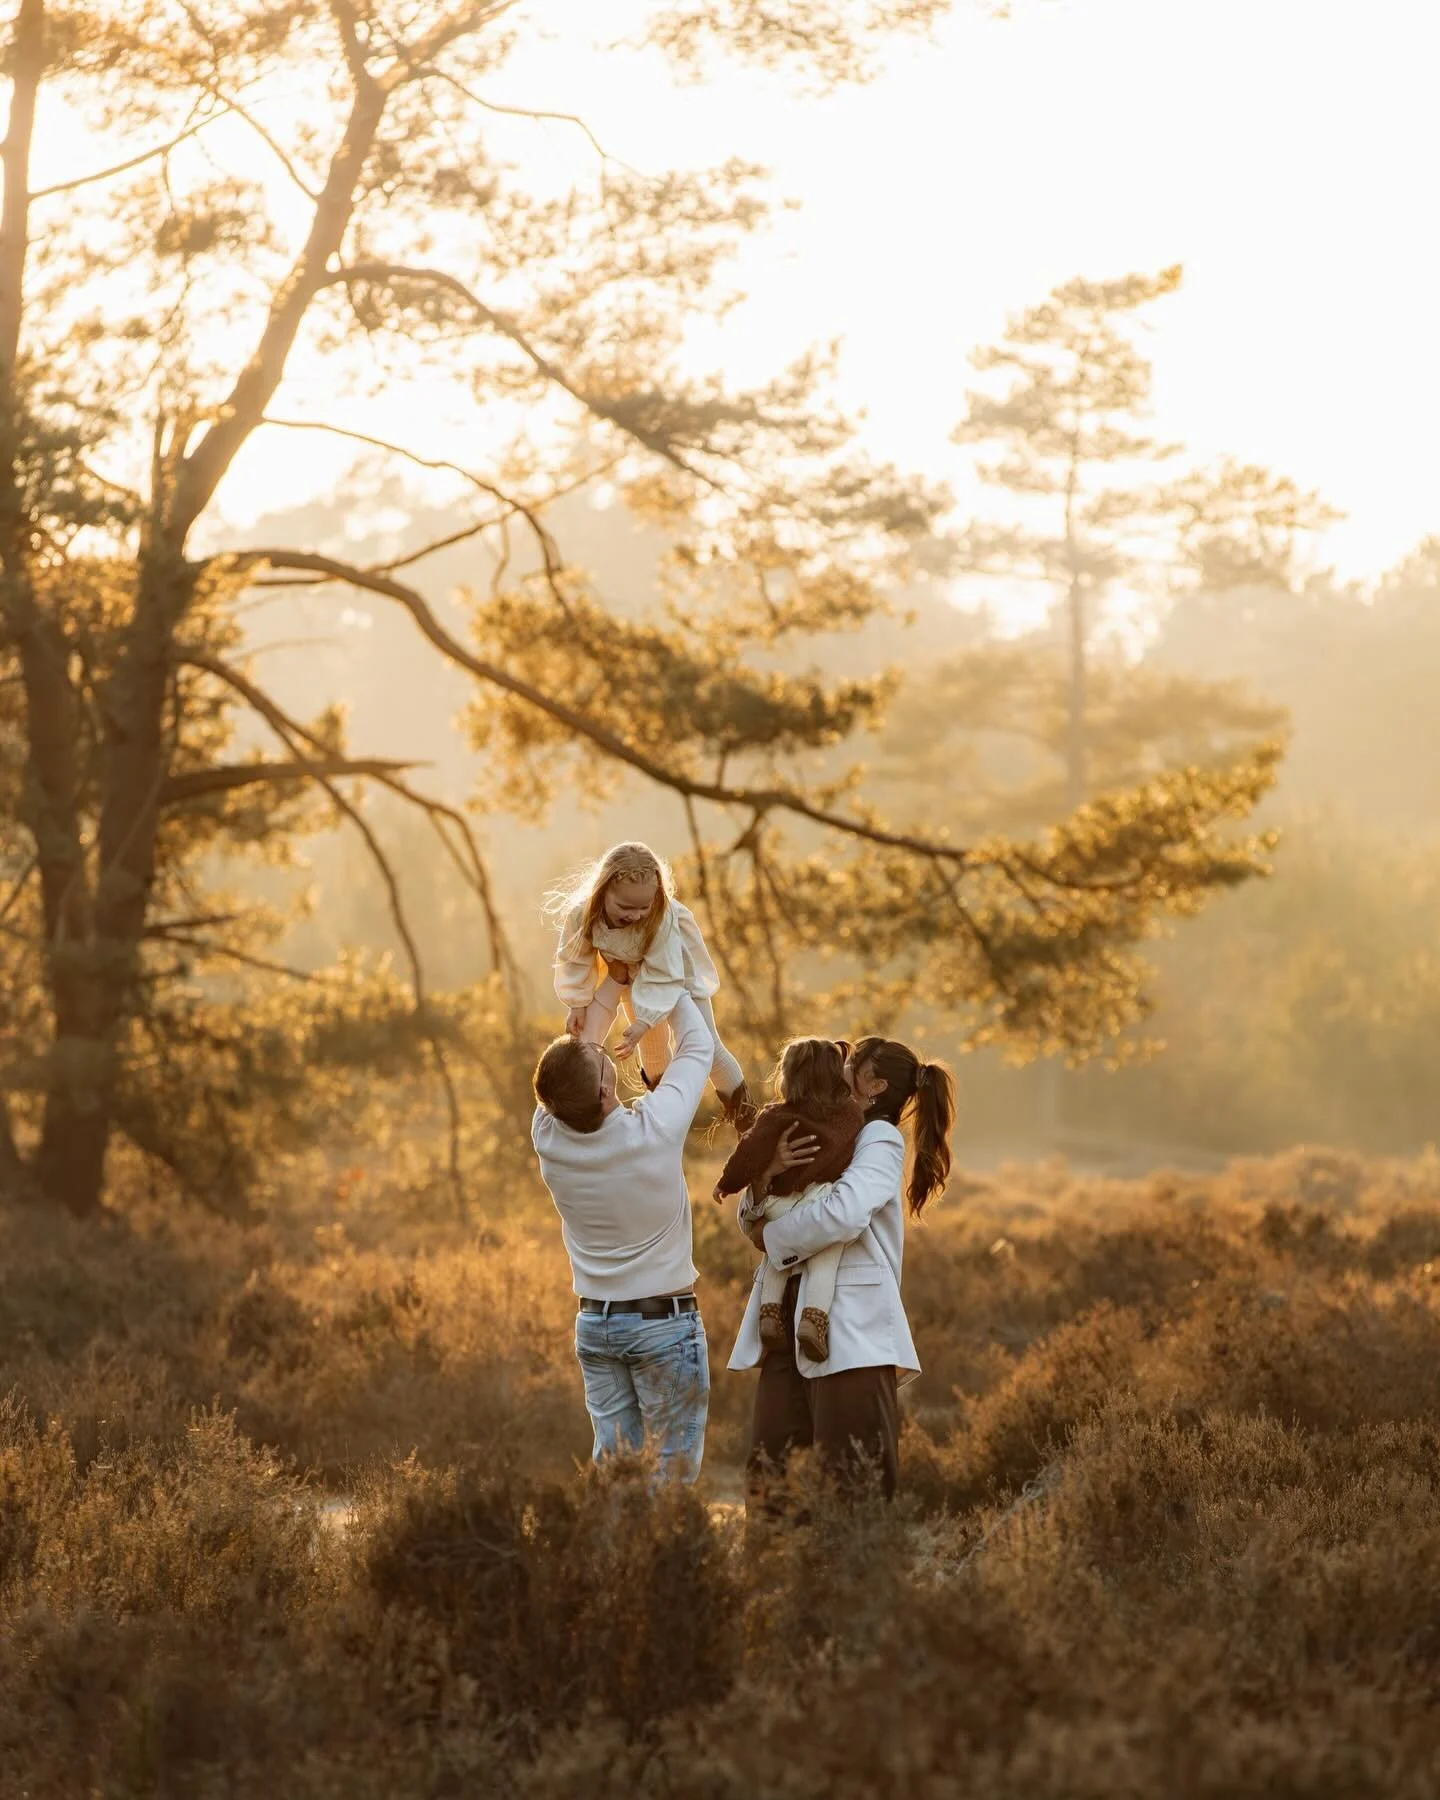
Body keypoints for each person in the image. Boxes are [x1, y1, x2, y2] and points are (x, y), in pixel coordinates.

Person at [728, 1035, 956, 1505]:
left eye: (853, 1064)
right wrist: (766, 1175)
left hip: (851, 1332)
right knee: (772, 1476)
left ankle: (854, 1577)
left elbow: (845, 1213)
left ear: (875, 1085)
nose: (841, 1067)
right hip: (785, 1322)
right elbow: (760, 1208)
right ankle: (773, 1574)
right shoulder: (823, 1124)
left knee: (853, 1486)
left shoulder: (880, 1139)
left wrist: (770, 1239)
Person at [531, 990, 715, 1484]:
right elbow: (699, 1044)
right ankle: (656, 1560)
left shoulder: (546, 1133)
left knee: (614, 1472)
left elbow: (575, 1062)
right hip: (662, 1327)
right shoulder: (653, 1129)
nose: (594, 1044)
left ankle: (611, 1560)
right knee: (670, 1473)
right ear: (606, 1094)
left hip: (597, 1325)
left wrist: (611, 988)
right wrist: (663, 983)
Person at [548, 841, 755, 1129]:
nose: (635, 915)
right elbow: (574, 958)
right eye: (625, 906)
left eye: (643, 906)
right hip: (633, 980)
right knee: (653, 1053)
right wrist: (578, 1003)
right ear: (603, 890)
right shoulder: (584, 915)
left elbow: (663, 972)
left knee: (707, 1044)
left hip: (674, 976)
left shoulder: (659, 919)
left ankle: (745, 1118)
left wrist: (646, 1019)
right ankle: (664, 1116)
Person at [712, 1037, 865, 1363]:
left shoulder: (776, 1116)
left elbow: (747, 1153)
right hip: (817, 1202)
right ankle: (814, 1317)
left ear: (787, 1077)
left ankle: (769, 1312)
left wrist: (727, 1183)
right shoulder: (851, 1116)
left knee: (777, 1249)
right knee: (828, 1251)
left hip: (777, 1203)